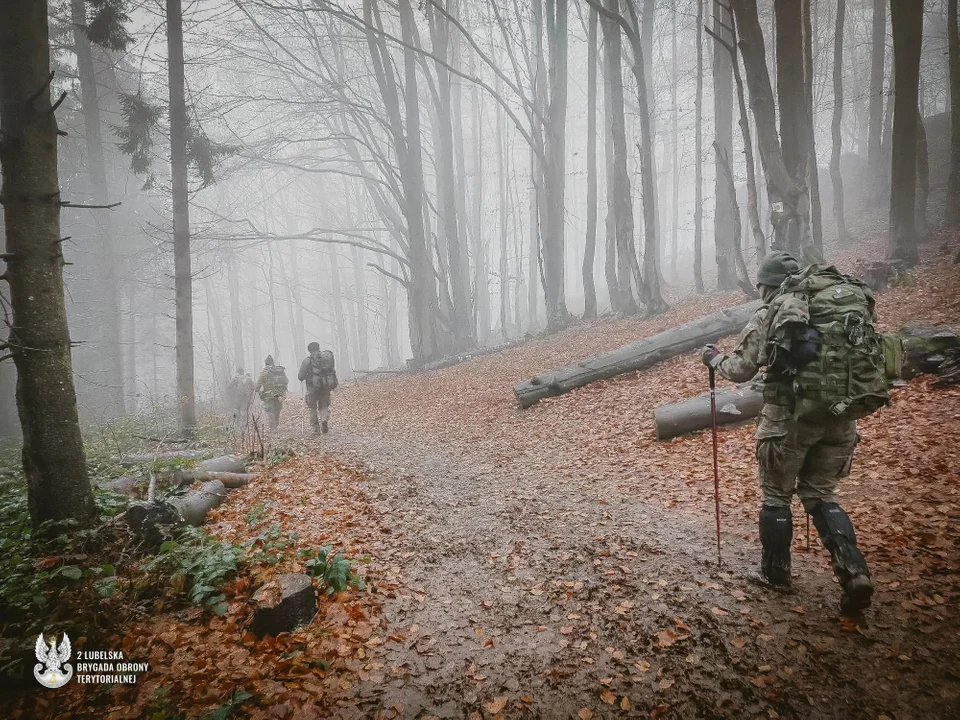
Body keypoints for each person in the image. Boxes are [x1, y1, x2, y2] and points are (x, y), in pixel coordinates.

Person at [701, 251, 888, 613]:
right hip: (842, 416)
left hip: (789, 420)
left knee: (777, 495)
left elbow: (740, 369)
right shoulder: (839, 306)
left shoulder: (773, 311)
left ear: (764, 286)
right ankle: (854, 572)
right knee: (821, 494)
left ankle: (776, 574)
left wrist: (713, 358)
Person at [298, 342, 338, 435]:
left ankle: (316, 429)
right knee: (324, 405)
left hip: (312, 387)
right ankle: (324, 420)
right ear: (319, 348)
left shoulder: (307, 361)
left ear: (309, 350)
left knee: (312, 407)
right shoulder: (326, 358)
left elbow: (300, 376)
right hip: (325, 386)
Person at [255, 355, 288, 431]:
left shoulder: (264, 372)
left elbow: (258, 385)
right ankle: (276, 426)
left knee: (270, 411)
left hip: (269, 395)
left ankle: (273, 428)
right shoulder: (279, 370)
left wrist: (258, 391)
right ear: (273, 362)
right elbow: (286, 381)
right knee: (277, 410)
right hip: (280, 394)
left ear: (265, 363)